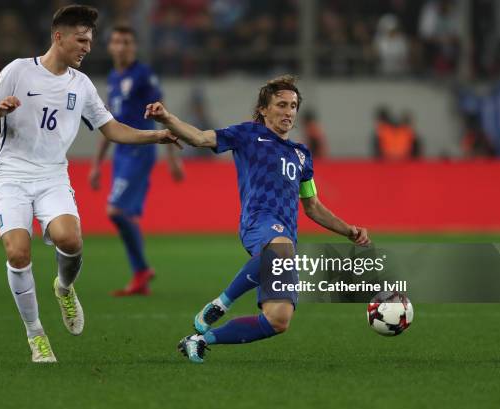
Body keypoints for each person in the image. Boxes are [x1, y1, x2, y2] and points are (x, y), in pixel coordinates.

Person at [0, 5, 178, 363]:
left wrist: (156, 136)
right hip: (12, 177)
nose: (87, 47)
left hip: (52, 176)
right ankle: (36, 335)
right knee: (18, 253)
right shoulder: (18, 71)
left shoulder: (81, 85)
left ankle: (64, 288)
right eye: (81, 40)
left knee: (71, 240)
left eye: (90, 41)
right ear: (59, 37)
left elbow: (111, 128)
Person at [145, 75, 370, 364]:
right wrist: (167, 118)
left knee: (278, 320)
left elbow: (312, 206)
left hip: (284, 243)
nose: (288, 112)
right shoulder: (247, 134)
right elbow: (200, 138)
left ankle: (199, 340)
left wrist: (349, 230)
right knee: (279, 247)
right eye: (281, 105)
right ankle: (220, 303)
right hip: (258, 223)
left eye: (293, 106)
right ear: (264, 109)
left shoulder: (302, 155)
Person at [89, 25, 183, 296]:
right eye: (116, 41)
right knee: (125, 214)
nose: (121, 47)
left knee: (115, 211)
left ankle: (141, 268)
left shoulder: (143, 75)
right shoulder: (113, 77)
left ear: (134, 47)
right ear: (109, 46)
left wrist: (173, 159)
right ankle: (140, 275)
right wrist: (97, 164)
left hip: (140, 150)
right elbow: (108, 123)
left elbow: (164, 114)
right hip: (120, 152)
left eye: (127, 42)